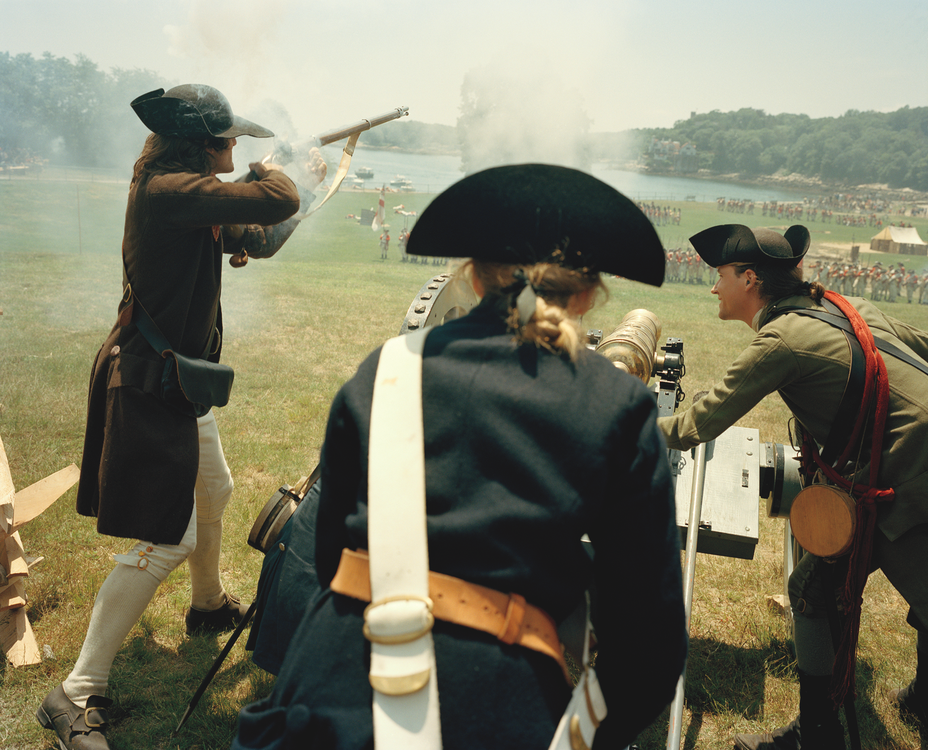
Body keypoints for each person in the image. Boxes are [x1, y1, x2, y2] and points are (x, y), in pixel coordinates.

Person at [231, 164, 687, 749]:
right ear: (587, 293)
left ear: (471, 275)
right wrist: (575, 738)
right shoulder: (617, 405)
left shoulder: (384, 370)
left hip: (326, 686)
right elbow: (648, 650)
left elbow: (330, 557)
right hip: (495, 703)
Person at [36, 83, 326, 750]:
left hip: (174, 383)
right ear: (202, 146)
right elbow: (275, 196)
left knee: (215, 490)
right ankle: (75, 691)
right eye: (230, 140)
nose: (237, 147)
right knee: (168, 538)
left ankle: (207, 605)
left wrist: (305, 183)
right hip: (147, 384)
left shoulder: (190, 194)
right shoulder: (169, 190)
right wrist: (280, 171)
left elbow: (266, 232)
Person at [659, 224, 928, 750]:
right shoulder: (845, 307)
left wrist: (623, 424)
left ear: (750, 278)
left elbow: (698, 423)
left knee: (812, 592)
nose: (713, 287)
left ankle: (818, 736)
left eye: (721, 275)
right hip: (904, 469)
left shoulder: (781, 340)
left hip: (908, 482)